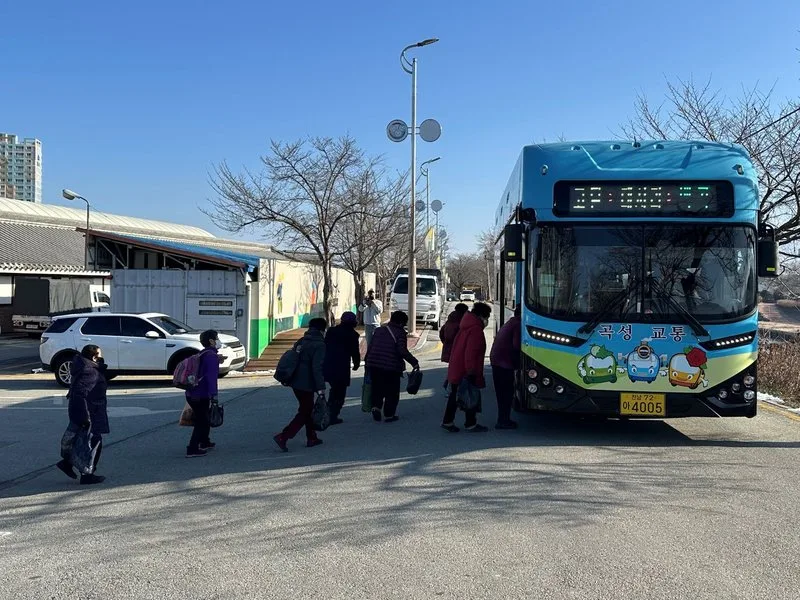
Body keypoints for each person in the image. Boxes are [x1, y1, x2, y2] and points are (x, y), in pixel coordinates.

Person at [56, 344, 109, 484]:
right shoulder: (90, 371)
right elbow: (81, 394)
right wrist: (86, 417)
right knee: (93, 442)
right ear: (94, 356)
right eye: (100, 354)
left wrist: (99, 365)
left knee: (80, 440)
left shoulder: (82, 365)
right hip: (89, 412)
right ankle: (87, 474)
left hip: (81, 410)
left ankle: (67, 463)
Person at [273, 318, 327, 451]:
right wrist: (321, 389)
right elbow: (317, 368)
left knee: (307, 409)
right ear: (322, 330)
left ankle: (311, 437)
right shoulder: (319, 344)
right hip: (306, 383)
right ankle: (284, 436)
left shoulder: (302, 341)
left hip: (295, 381)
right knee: (305, 411)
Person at [442, 302, 492, 433]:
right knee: (470, 395)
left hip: (457, 367)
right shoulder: (475, 330)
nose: (487, 320)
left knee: (455, 395)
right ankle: (470, 423)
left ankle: (448, 421)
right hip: (466, 369)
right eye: (487, 317)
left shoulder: (465, 325)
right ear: (482, 315)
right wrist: (471, 371)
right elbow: (471, 352)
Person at [364, 310, 419, 422]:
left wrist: (367, 362)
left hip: (373, 364)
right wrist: (414, 362)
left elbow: (370, 346)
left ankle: (376, 407)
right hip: (391, 366)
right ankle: (389, 415)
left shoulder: (379, 330)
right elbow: (402, 350)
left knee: (377, 388)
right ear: (401, 323)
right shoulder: (400, 333)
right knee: (392, 391)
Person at [185, 329, 221, 458]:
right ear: (211, 341)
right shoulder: (211, 356)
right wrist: (214, 395)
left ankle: (204, 441)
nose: (218, 341)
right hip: (200, 394)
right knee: (202, 421)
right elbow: (211, 377)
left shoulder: (204, 354)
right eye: (216, 338)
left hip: (193, 392)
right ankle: (192, 448)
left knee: (204, 418)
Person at [323, 311, 361, 425]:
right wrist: (356, 363)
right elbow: (355, 352)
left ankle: (328, 412)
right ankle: (332, 415)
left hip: (328, 364)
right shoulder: (353, 335)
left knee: (334, 389)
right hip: (341, 366)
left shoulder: (331, 331)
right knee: (339, 393)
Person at [490, 306, 522, 429]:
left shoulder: (511, 322)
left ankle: (502, 419)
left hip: (497, 360)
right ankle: (503, 420)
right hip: (504, 362)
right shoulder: (518, 324)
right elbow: (517, 345)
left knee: (502, 393)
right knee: (506, 393)